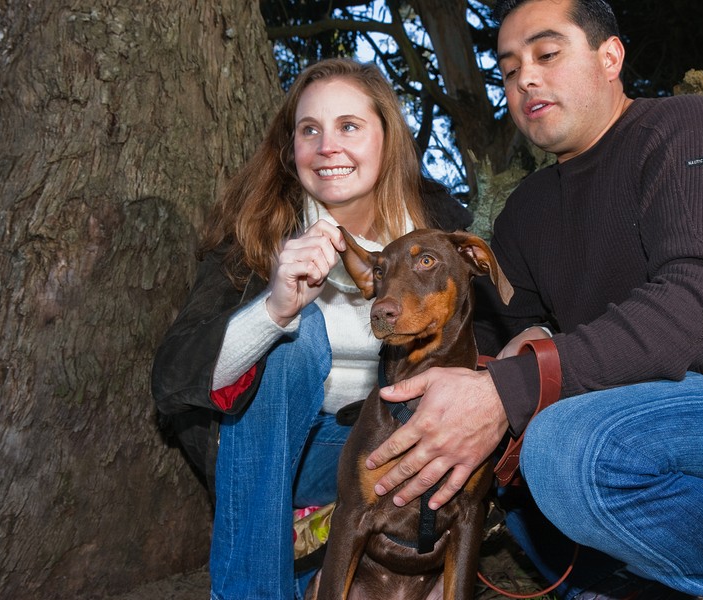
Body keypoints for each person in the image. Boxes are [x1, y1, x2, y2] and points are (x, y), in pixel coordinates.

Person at [363, 1, 703, 599]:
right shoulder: (526, 212)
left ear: (610, 57)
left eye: (547, 54)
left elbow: (701, 306)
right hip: (629, 422)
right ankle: (623, 584)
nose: (526, 79)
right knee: (492, 434)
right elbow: (483, 336)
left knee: (563, 445)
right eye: (510, 70)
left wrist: (512, 386)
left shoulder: (691, 129)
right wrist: (471, 385)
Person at [150, 58, 470, 600]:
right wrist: (274, 310)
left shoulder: (436, 224)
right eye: (309, 130)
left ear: (386, 138)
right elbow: (172, 381)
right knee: (299, 335)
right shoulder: (257, 232)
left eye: (349, 126)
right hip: (269, 453)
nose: (327, 147)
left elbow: (484, 340)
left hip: (382, 448)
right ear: (290, 147)